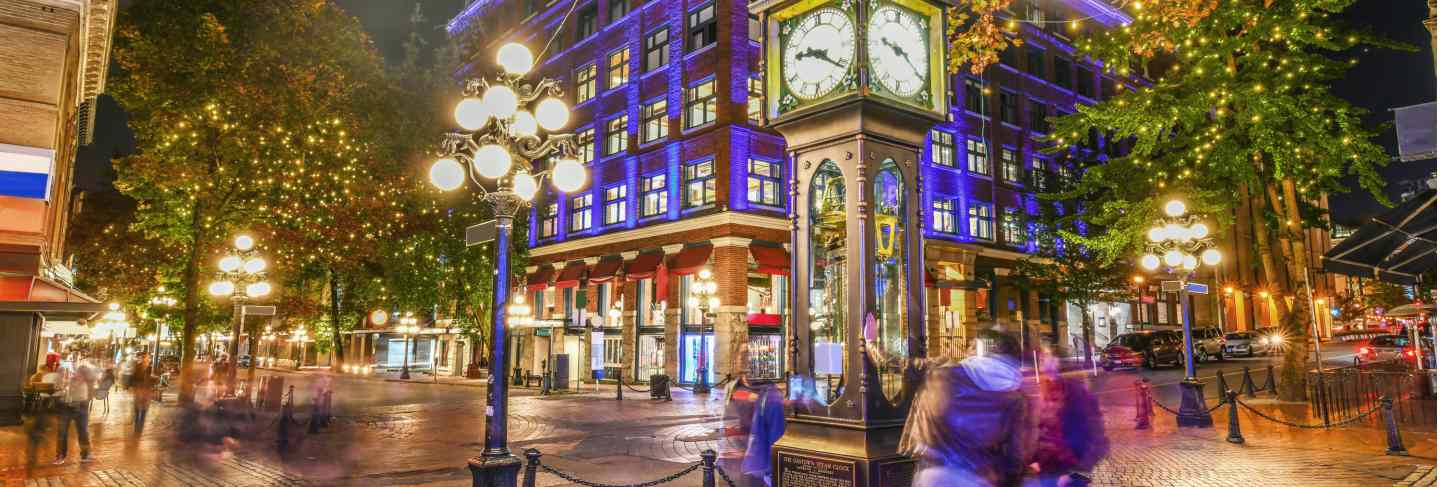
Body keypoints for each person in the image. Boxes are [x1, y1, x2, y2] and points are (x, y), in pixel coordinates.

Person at [901, 330, 1030, 487]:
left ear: (981, 349)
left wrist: (870, 343)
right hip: (979, 476)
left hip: (934, 473)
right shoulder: (1015, 395)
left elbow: (902, 365)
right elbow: (1014, 455)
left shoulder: (942, 375)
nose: (967, 350)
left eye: (971, 345)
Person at [1025, 353, 1108, 487]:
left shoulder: (1080, 397)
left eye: (1050, 364)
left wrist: (1077, 474)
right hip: (1048, 468)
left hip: (1070, 470)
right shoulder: (1047, 390)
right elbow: (1041, 428)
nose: (1044, 368)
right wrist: (1033, 458)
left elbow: (1098, 441)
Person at [55, 350, 100, 464]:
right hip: (67, 406)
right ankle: (60, 455)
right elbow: (59, 384)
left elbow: (95, 376)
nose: (79, 376)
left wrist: (86, 372)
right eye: (78, 373)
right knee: (62, 432)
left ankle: (85, 455)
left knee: (83, 431)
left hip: (82, 406)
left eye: (82, 375)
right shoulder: (69, 378)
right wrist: (63, 381)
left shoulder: (88, 381)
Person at [132, 351, 155, 433]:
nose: (148, 359)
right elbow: (134, 379)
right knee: (137, 410)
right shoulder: (137, 367)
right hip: (139, 390)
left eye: (148, 358)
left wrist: (152, 379)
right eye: (147, 358)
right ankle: (136, 428)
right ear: (143, 358)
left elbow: (149, 379)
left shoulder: (149, 368)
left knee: (144, 410)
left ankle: (140, 429)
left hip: (146, 391)